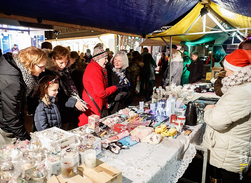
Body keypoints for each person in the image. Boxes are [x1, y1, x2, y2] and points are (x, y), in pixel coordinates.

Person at [202, 49, 251, 183]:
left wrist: (208, 111)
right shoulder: (244, 87)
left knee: (233, 179)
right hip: (236, 151)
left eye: (228, 71)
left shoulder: (240, 92)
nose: (226, 74)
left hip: (231, 155)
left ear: (238, 72)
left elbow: (217, 121)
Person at [0, 47, 47, 143]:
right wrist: (25, 138)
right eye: (41, 67)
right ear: (30, 65)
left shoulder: (16, 69)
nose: (44, 70)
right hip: (5, 127)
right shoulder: (13, 82)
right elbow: (11, 116)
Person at [39, 45, 88, 130]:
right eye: (61, 62)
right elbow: (54, 95)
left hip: (66, 109)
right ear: (53, 59)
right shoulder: (48, 73)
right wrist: (73, 102)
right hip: (56, 110)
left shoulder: (65, 71)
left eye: (66, 62)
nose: (64, 65)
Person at [78, 43, 125, 126]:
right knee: (92, 129)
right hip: (93, 107)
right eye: (105, 58)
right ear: (98, 59)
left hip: (93, 104)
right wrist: (115, 87)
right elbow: (101, 93)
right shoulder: (95, 70)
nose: (107, 61)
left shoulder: (94, 67)